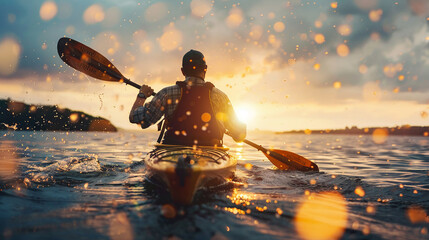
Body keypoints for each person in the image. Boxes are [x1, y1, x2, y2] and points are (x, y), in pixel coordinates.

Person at [129, 50, 246, 146]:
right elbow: (239, 135)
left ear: (182, 71)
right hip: (211, 152)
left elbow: (137, 118)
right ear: (205, 68)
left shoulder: (167, 93)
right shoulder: (220, 97)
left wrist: (142, 95)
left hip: (172, 151)